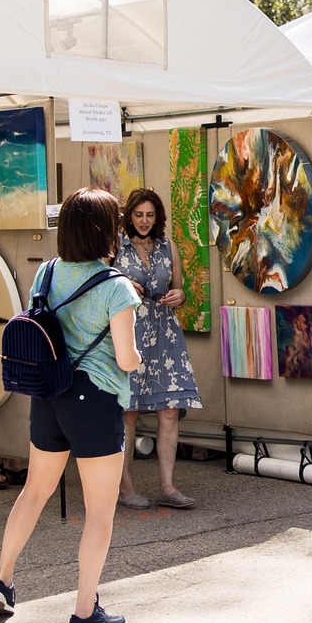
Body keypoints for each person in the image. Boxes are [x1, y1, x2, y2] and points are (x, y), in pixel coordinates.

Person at [0, 189, 143, 623]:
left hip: (48, 393)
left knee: (34, 492)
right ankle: (83, 611)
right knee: (99, 511)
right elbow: (125, 357)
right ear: (106, 230)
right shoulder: (115, 287)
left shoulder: (46, 273)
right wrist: (139, 361)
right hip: (94, 399)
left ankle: (3, 580)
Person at [113, 188, 200, 512]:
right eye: (138, 215)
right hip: (129, 333)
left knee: (170, 410)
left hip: (165, 334)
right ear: (129, 217)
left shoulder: (168, 246)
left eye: (150, 215)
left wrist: (179, 295)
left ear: (157, 217)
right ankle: (126, 488)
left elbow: (178, 287)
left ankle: (167, 487)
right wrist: (119, 283)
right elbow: (97, 286)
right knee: (128, 412)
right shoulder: (115, 248)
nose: (144, 221)